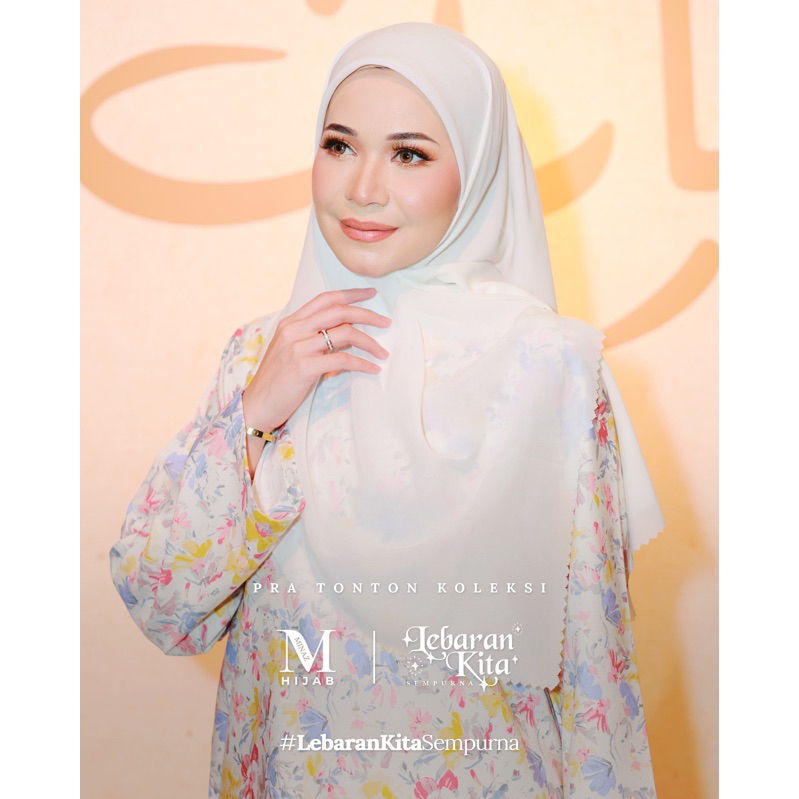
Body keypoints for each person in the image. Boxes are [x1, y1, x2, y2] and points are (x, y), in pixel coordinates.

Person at [110, 22, 664, 799]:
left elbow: (596, 675)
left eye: (409, 154)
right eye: (339, 145)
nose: (362, 187)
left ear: (476, 171)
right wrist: (257, 411)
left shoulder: (549, 370)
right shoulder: (264, 355)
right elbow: (161, 602)